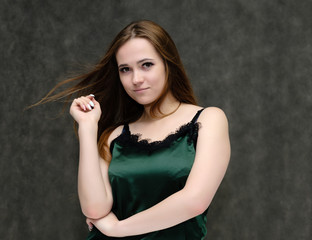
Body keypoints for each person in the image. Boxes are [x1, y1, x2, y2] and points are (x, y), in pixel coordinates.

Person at [34, 20, 230, 239]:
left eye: (146, 65)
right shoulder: (114, 136)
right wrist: (88, 128)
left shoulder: (208, 120)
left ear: (168, 64)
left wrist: (116, 229)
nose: (136, 79)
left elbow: (194, 201)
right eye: (125, 69)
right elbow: (94, 209)